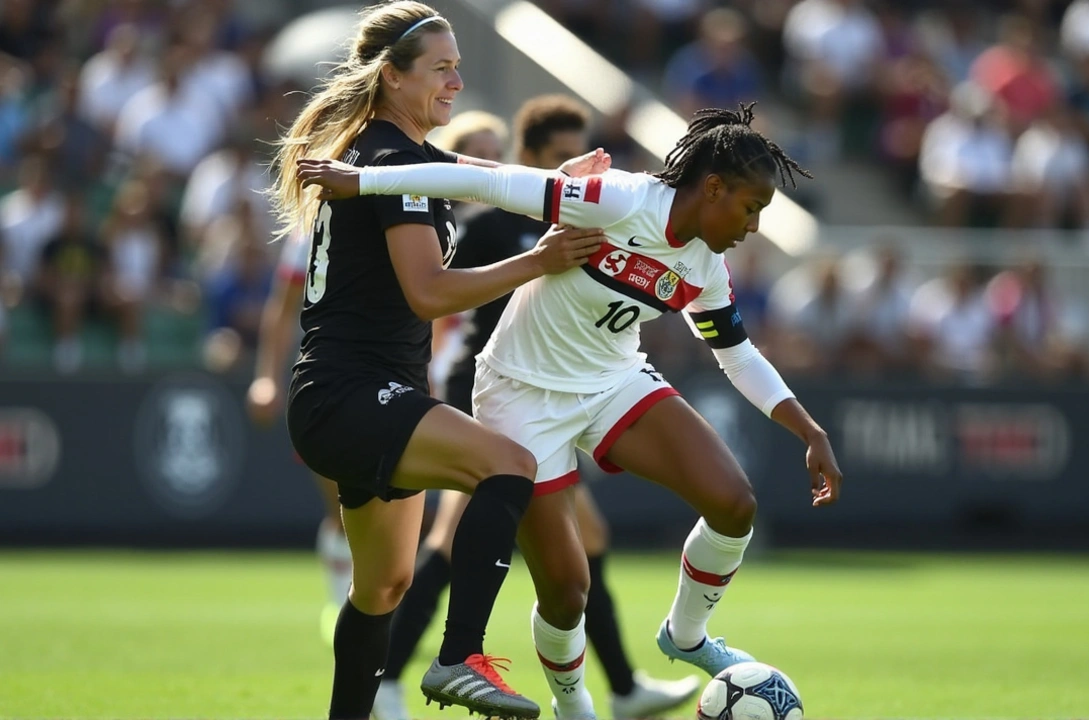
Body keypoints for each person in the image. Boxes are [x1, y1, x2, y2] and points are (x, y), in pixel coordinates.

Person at [299, 102, 844, 720]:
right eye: (750, 208)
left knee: (734, 503)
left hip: (614, 380)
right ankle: (573, 705)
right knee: (567, 592)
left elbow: (738, 356)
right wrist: (364, 180)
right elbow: (489, 182)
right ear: (713, 187)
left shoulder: (706, 266)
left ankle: (685, 636)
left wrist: (808, 427)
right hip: (522, 393)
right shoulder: (617, 200)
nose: (752, 227)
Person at [267, 3, 608, 719]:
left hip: (349, 398)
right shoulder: (396, 159)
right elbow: (428, 293)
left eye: (458, 65)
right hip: (353, 394)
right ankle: (460, 658)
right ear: (391, 76)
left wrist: (556, 182)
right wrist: (538, 261)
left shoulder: (392, 154)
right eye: (441, 68)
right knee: (510, 464)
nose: (457, 80)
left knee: (382, 590)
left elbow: (484, 174)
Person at [372, 95, 700, 720]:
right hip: (495, 385)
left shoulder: (594, 214)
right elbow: (431, 289)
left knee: (584, 540)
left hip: (552, 390)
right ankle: (388, 676)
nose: (568, 166)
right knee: (450, 539)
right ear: (530, 159)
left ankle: (623, 687)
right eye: (553, 157)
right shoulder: (494, 225)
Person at [246, 228, 353, 642]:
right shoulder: (309, 232)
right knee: (342, 506)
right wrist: (266, 379)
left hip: (389, 377)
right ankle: (338, 603)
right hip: (325, 385)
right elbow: (282, 308)